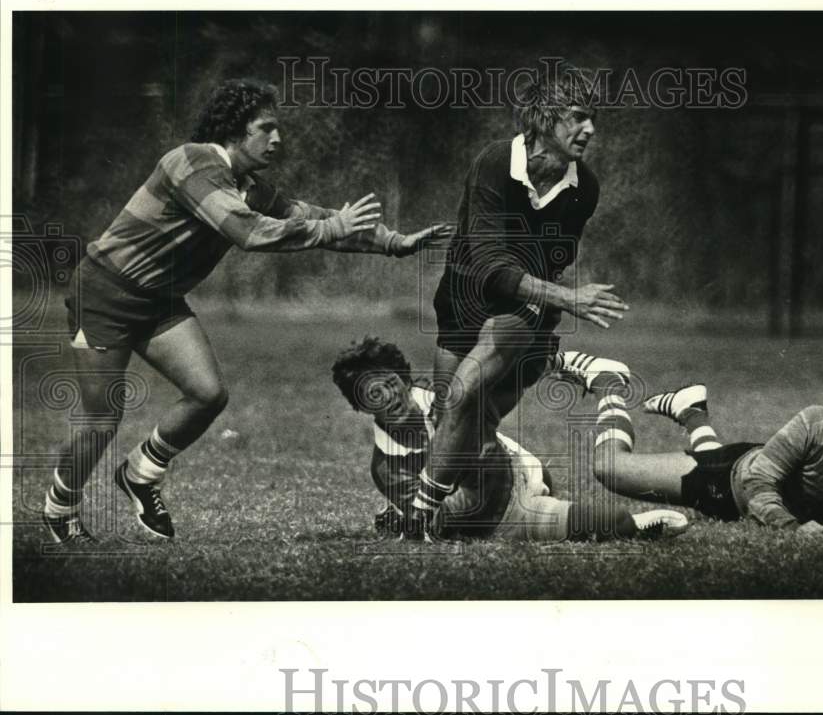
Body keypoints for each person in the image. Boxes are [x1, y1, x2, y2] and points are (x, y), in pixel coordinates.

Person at [42, 78, 449, 545]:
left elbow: (313, 216)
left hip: (155, 299)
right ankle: (59, 510)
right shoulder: (190, 161)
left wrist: (395, 243)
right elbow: (248, 232)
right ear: (235, 130)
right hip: (105, 293)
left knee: (207, 393)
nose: (278, 139)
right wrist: (332, 226)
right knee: (101, 419)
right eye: (266, 128)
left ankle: (139, 473)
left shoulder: (247, 185)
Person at [405, 63, 628, 540]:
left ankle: (417, 515)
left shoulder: (582, 188)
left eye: (593, 118)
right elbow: (488, 263)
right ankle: (529, 474)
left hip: (520, 308)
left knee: (467, 396)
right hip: (465, 298)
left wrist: (546, 317)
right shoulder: (493, 162)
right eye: (577, 117)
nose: (589, 129)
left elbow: (552, 262)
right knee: (455, 417)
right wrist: (569, 299)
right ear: (545, 118)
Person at [332, 337, 688, 542]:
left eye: (391, 384)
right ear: (359, 407)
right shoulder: (386, 466)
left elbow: (496, 370)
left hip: (522, 467)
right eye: (372, 395)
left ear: (405, 379)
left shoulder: (441, 401)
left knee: (487, 410)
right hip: (501, 515)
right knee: (615, 523)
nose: (388, 398)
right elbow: (438, 522)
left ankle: (605, 383)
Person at [588, 365, 823, 534]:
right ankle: (609, 383)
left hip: (761, 471)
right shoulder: (816, 422)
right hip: (730, 479)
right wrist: (791, 528)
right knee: (610, 468)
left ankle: (692, 411)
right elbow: (758, 482)